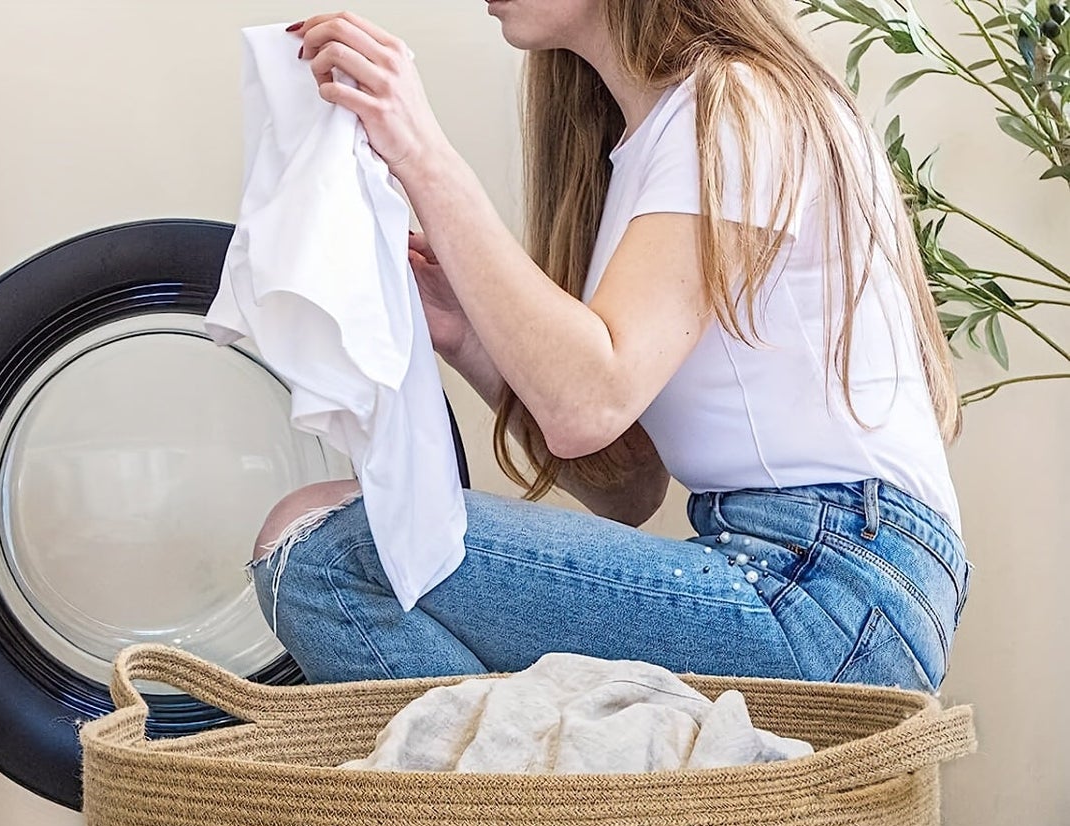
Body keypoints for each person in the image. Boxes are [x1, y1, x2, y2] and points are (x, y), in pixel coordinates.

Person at [246, 3, 972, 692]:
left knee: (324, 551)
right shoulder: (647, 138)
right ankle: (534, 812)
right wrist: (468, 337)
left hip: (832, 589)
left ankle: (510, 819)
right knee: (338, 546)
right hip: (806, 574)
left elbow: (586, 405)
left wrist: (419, 152)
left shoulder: (738, 105)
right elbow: (625, 488)